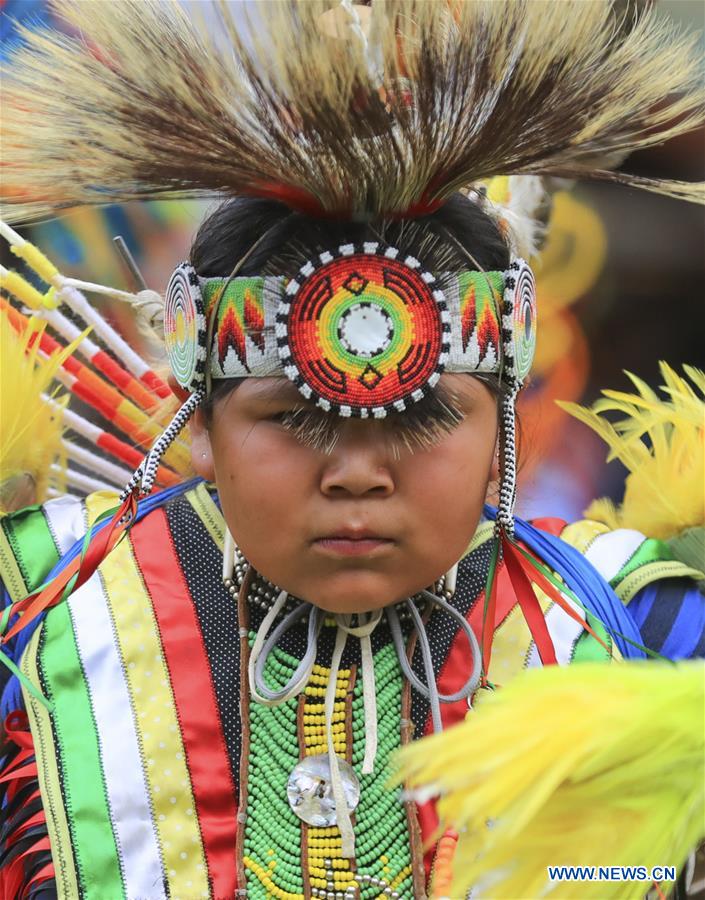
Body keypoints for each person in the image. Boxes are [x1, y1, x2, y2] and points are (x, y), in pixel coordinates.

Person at [0, 2, 703, 898]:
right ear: (199, 419)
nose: (358, 474)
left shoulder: (641, 628)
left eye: (424, 417)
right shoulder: (44, 609)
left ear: (502, 421)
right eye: (294, 418)